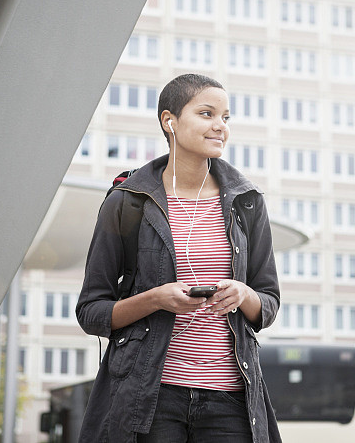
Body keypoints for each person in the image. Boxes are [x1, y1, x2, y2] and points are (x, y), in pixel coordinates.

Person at [76, 73, 282, 443]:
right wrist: (155, 299)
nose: (220, 126)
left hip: (230, 399)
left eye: (226, 117)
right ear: (169, 121)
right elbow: (91, 312)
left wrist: (243, 294)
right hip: (151, 397)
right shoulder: (127, 201)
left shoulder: (247, 202)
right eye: (207, 114)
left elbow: (268, 302)